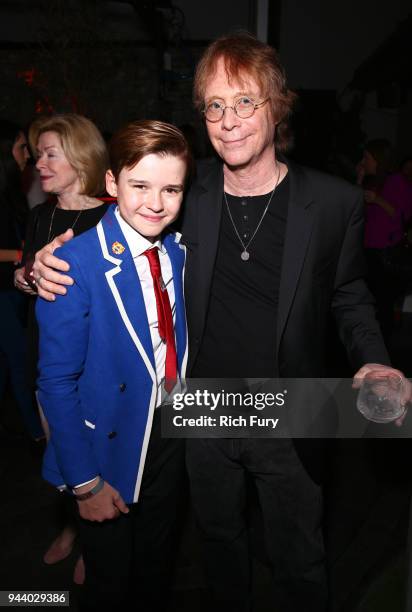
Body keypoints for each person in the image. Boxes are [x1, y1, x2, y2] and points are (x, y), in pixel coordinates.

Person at [30, 33, 410, 612]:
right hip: (201, 409)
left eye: (245, 102)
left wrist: (373, 356)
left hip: (291, 408)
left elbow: (350, 293)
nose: (228, 121)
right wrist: (37, 269)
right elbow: (109, 227)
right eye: (214, 104)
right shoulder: (186, 188)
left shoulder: (334, 203)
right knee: (219, 548)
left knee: (299, 559)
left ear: (277, 105)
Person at [35, 120, 191, 612]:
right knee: (108, 582)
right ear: (110, 184)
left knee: (154, 568)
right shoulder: (72, 264)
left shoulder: (180, 252)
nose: (155, 202)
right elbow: (56, 383)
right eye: (139, 185)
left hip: (169, 436)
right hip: (105, 451)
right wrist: (84, 485)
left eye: (171, 188)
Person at [14, 113, 110, 583]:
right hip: (47, 361)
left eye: (52, 153)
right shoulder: (39, 216)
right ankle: (73, 527)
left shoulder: (112, 216)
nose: (40, 163)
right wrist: (25, 278)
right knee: (61, 454)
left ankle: (96, 543)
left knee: (94, 457)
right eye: (39, 154)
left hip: (94, 365)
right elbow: (31, 276)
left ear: (81, 156)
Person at [0, 119, 43, 441]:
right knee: (19, 359)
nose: (27, 155)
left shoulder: (12, 189)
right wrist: (21, 256)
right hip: (2, 290)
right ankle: (37, 433)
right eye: (21, 147)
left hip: (11, 289)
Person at [357, 139, 412, 338]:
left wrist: (378, 200)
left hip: (385, 250)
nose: (364, 162)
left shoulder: (396, 181)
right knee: (369, 300)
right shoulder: (373, 181)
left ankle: (384, 345)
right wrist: (359, 179)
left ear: (378, 160)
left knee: (383, 302)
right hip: (369, 247)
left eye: (367, 158)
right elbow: (357, 212)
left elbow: (403, 216)